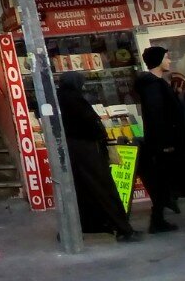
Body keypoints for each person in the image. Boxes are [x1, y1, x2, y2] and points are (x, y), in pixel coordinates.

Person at [56, 72, 139, 242]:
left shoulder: (60, 98)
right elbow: (89, 122)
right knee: (102, 187)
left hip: (72, 150)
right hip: (86, 150)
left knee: (80, 190)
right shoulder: (74, 100)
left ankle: (80, 227)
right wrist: (101, 135)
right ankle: (122, 228)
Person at [134, 46, 185, 233]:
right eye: (166, 57)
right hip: (164, 144)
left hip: (166, 142)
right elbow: (158, 116)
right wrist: (165, 144)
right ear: (157, 60)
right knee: (164, 182)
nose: (169, 61)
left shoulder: (156, 83)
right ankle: (157, 221)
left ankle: (157, 220)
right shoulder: (153, 86)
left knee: (164, 183)